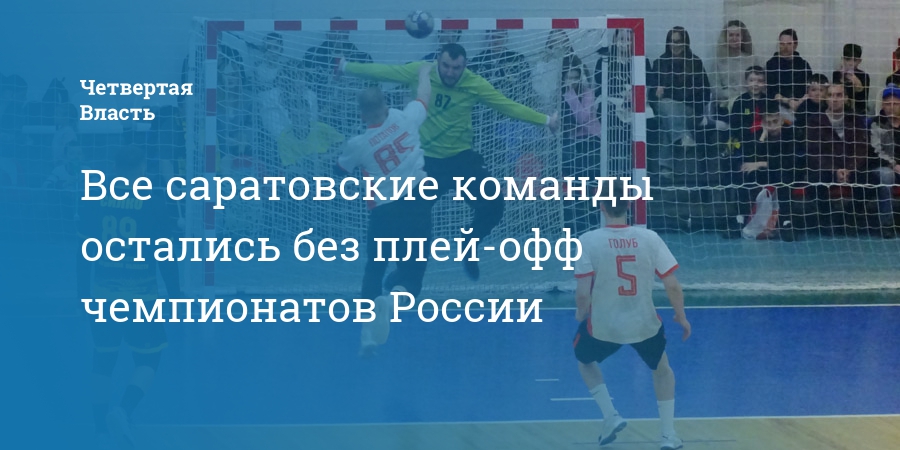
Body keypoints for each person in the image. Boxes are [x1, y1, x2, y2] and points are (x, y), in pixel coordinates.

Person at [338, 43, 560, 280]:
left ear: (464, 66)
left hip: (461, 160)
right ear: (438, 61)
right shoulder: (421, 72)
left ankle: (469, 243)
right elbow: (383, 71)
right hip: (425, 164)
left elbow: (506, 106)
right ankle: (403, 275)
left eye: (456, 68)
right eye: (445, 66)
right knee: (413, 227)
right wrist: (344, 66)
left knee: (494, 204)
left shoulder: (474, 83)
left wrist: (546, 120)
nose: (450, 72)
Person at [76, 145, 181, 450]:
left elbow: (83, 255)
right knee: (149, 359)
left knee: (102, 361)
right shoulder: (154, 203)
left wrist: (82, 296)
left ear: (114, 167)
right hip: (141, 299)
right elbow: (166, 257)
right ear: (143, 170)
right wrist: (175, 295)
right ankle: (122, 411)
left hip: (102, 296)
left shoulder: (93, 201)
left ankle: (99, 431)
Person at [573, 181, 690, 450]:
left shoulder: (587, 240)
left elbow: (582, 293)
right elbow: (672, 284)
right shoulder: (650, 238)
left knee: (584, 361)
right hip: (644, 324)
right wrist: (681, 316)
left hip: (604, 327)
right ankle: (668, 435)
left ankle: (611, 416)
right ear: (629, 205)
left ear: (601, 207)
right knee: (662, 371)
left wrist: (581, 313)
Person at [336, 64, 434, 357]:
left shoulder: (358, 144)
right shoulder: (405, 118)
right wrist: (424, 73)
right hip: (417, 204)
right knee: (412, 276)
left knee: (375, 268)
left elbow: (340, 169)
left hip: (384, 213)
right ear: (386, 104)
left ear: (361, 115)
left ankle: (367, 334)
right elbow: (424, 96)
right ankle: (392, 301)